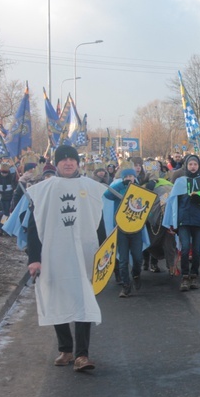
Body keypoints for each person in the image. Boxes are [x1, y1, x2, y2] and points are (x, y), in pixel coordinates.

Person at [26, 144, 107, 371]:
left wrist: (102, 253)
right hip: (53, 255)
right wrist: (34, 258)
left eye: (72, 159)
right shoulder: (43, 190)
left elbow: (98, 222)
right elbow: (34, 227)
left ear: (78, 163)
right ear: (57, 163)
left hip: (84, 254)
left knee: (83, 300)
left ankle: (82, 355)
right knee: (57, 298)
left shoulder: (91, 188)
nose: (68, 163)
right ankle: (66, 349)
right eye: (63, 159)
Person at [162, 154, 200, 291]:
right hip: (183, 220)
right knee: (185, 249)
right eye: (190, 164)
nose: (192, 167)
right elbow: (173, 203)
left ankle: (194, 275)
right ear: (186, 166)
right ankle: (185, 276)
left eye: (195, 164)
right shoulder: (180, 181)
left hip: (198, 220)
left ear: (199, 166)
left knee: (196, 250)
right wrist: (173, 222)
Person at [104, 168, 144, 298]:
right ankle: (126, 286)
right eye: (126, 176)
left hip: (136, 228)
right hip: (121, 228)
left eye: (130, 176)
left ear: (134, 177)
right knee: (123, 259)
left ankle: (136, 274)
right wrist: (122, 184)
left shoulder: (139, 189)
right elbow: (107, 194)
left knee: (138, 257)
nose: (128, 178)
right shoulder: (118, 189)